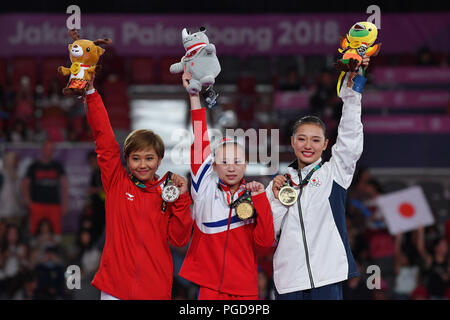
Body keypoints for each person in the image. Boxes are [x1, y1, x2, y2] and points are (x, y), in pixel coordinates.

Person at [268, 57, 370, 300]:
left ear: (325, 144)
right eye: (302, 139)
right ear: (293, 142)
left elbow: (350, 139)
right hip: (288, 279)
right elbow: (269, 232)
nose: (308, 145)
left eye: (315, 140)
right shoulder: (279, 183)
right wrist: (274, 199)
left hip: (327, 276)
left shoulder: (334, 173)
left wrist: (353, 95)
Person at [84, 77, 193, 300]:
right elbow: (103, 138)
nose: (142, 164)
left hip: (154, 290)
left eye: (149, 158)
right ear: (126, 159)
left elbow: (179, 239)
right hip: (115, 288)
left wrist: (182, 200)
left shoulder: (168, 193)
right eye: (136, 158)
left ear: (160, 160)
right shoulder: (116, 182)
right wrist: (91, 94)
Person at [178, 72, 275, 300]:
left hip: (246, 290)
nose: (231, 167)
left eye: (236, 162)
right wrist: (194, 97)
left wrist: (260, 200)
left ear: (245, 164)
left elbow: (265, 246)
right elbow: (200, 139)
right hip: (210, 289)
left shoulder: (255, 196)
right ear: (213, 166)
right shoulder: (204, 189)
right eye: (224, 162)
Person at [22, 141, 68, 236]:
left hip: (54, 204)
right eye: (47, 149)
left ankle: (54, 248)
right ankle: (34, 248)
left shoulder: (57, 166)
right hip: (37, 204)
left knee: (56, 230)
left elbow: (64, 185)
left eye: (51, 149)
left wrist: (65, 203)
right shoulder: (34, 166)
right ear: (42, 150)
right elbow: (25, 184)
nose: (49, 151)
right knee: (35, 229)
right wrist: (28, 201)